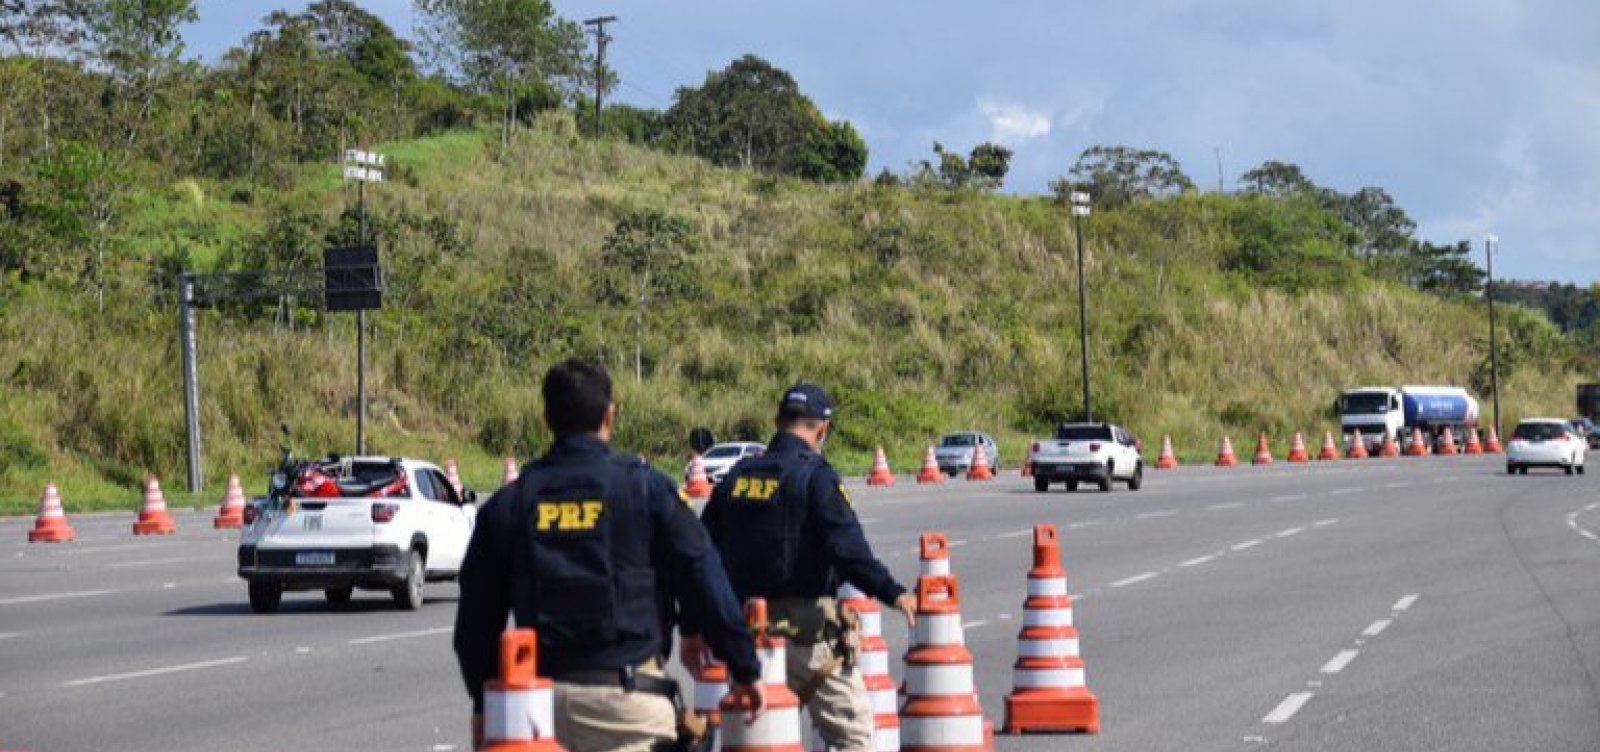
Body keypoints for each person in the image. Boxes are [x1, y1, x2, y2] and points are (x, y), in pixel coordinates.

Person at [455, 358, 764, 752]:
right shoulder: (645, 490)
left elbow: (475, 625)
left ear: (547, 417)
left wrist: (486, 706)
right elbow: (704, 574)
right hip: (628, 702)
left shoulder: (510, 504)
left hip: (535, 712)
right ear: (609, 416)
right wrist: (744, 667)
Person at [683, 382, 916, 752]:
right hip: (809, 641)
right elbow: (848, 551)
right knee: (853, 737)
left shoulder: (737, 476)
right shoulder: (816, 477)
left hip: (748, 640)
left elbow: (699, 557)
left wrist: (692, 628)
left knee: (757, 740)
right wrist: (893, 592)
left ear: (777, 422)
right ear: (822, 429)